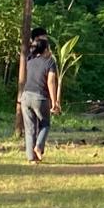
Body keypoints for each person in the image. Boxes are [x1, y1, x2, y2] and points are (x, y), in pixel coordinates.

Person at [19, 36, 61, 164]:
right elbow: (51, 82)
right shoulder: (50, 62)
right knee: (45, 124)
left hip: (26, 96)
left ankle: (32, 158)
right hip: (40, 97)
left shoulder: (30, 60)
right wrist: (54, 102)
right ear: (46, 49)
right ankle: (39, 146)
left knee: (30, 128)